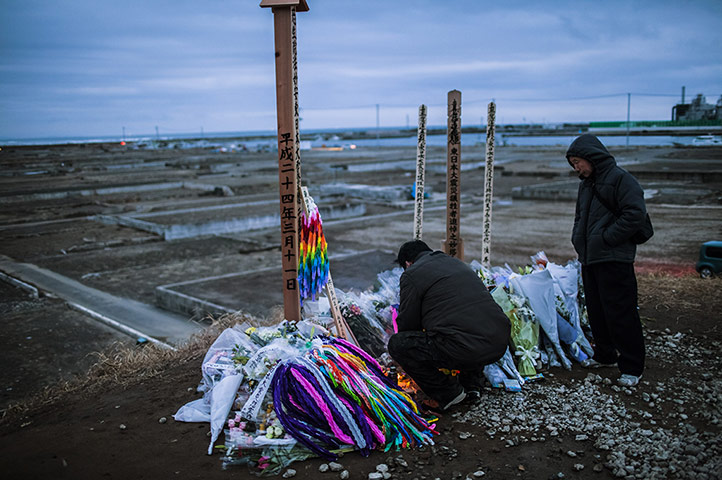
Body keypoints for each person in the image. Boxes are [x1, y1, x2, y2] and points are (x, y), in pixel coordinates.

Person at [387, 240, 510, 411]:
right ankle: (472, 385)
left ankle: (448, 393)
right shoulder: (455, 263)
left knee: (398, 344)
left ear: (408, 263)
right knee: (465, 325)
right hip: (498, 342)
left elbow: (408, 322)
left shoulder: (412, 274)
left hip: (467, 348)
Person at [566, 134, 647, 387]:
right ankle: (605, 354)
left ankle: (632, 366)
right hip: (590, 258)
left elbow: (635, 214)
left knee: (621, 312)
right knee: (597, 310)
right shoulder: (586, 184)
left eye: (578, 162)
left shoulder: (621, 179)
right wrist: (578, 239)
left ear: (592, 157)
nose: (576, 168)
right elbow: (580, 216)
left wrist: (607, 238)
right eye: (573, 163)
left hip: (614, 257)